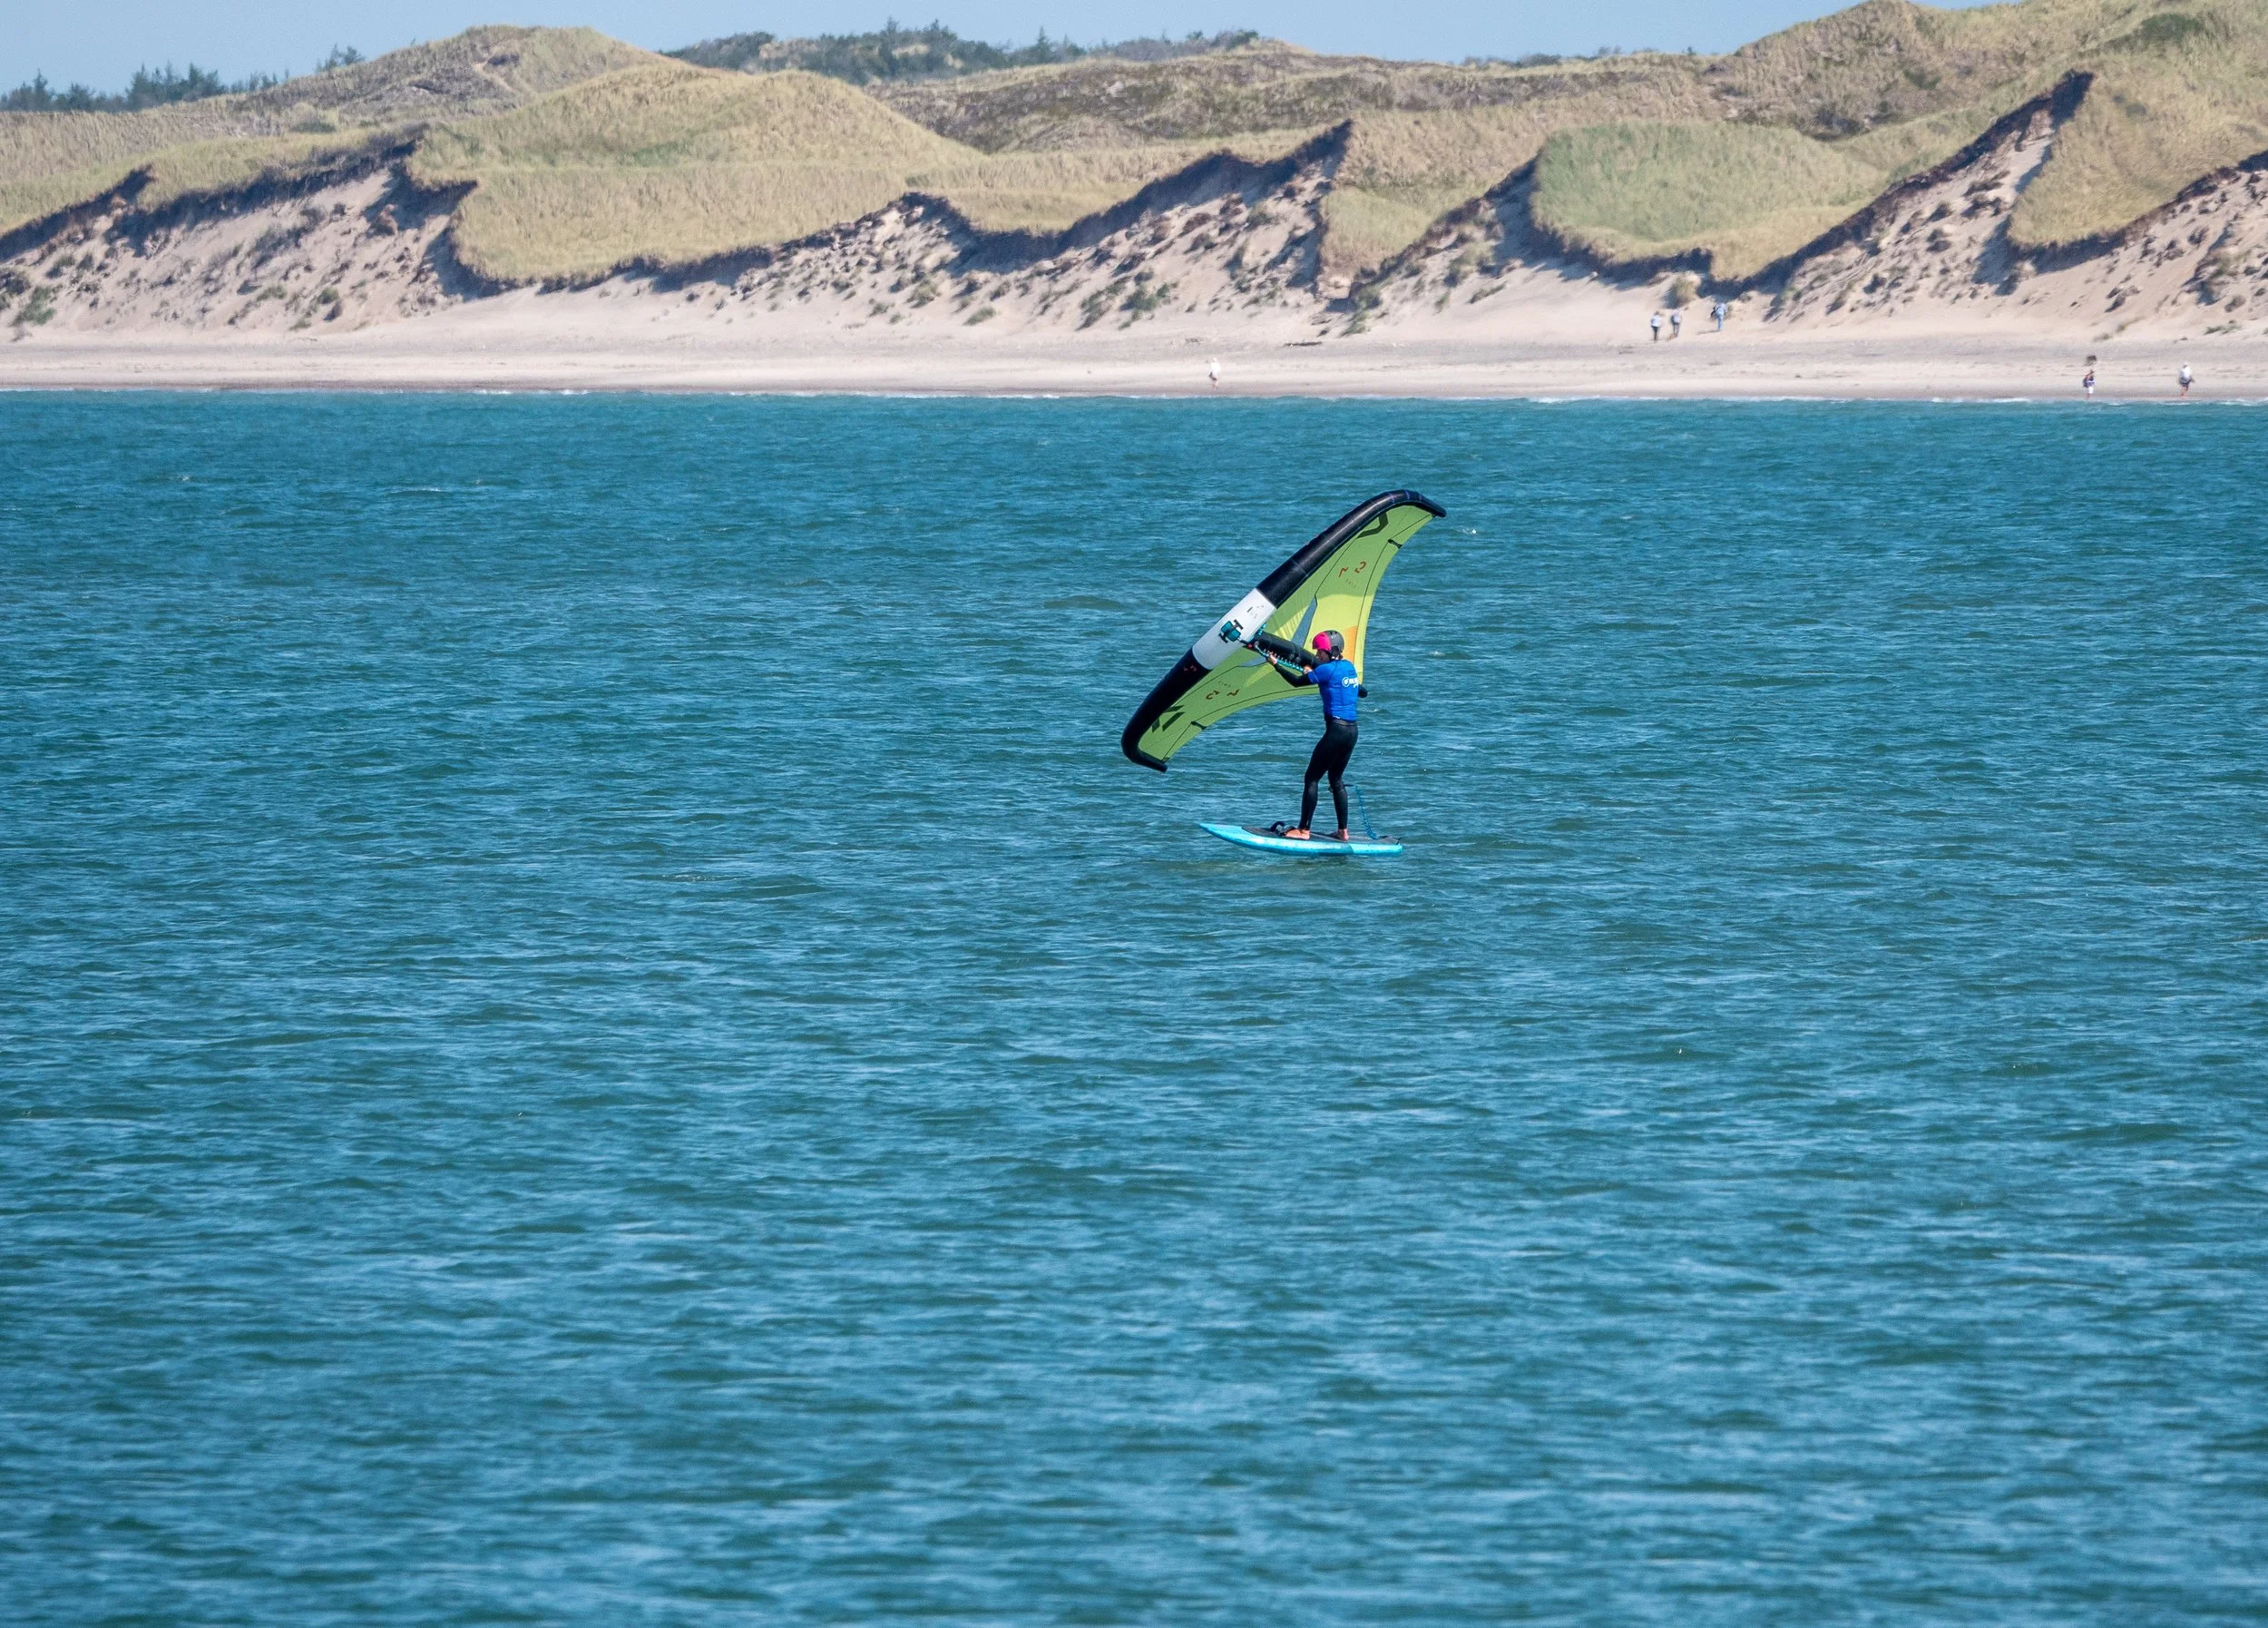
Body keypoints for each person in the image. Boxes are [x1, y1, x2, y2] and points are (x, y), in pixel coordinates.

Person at [1256, 629, 1363, 840]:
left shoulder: (1326, 671)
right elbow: (1357, 689)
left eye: (1320, 653)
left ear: (1331, 652)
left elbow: (1296, 682)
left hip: (1336, 731)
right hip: (1352, 732)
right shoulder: (1348, 667)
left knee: (1311, 778)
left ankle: (1304, 830)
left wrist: (1275, 664)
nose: (1318, 656)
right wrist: (1312, 673)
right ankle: (1343, 832)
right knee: (1336, 779)